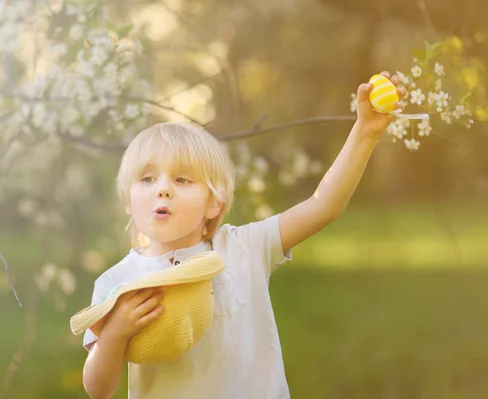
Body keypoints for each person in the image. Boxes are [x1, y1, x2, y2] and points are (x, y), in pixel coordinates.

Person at [81, 72, 406, 399]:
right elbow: (99, 390)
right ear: (128, 200)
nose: (163, 189)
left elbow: (324, 206)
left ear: (213, 204)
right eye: (148, 179)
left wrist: (365, 132)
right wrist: (115, 334)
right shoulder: (118, 284)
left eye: (182, 180)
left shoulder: (244, 248)